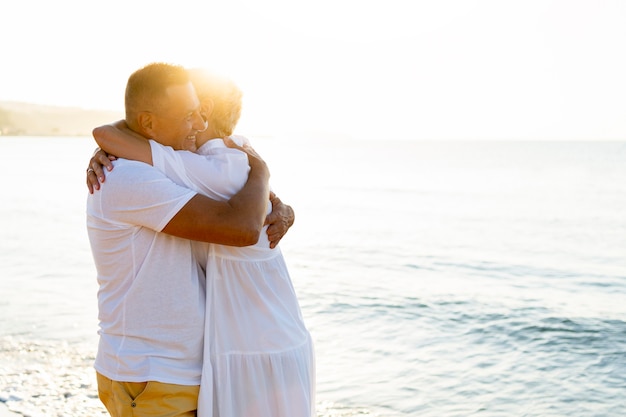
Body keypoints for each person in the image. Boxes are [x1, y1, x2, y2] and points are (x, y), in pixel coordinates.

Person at [91, 68, 315, 417]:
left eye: (201, 113)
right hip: (153, 375)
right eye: (188, 116)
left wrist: (279, 204)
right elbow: (239, 227)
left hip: (180, 373)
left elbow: (229, 188)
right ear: (149, 124)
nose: (197, 124)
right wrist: (262, 171)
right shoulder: (130, 175)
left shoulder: (178, 167)